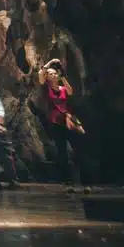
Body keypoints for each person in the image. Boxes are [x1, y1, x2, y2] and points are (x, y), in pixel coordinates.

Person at [38, 59, 90, 192]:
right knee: (63, 153)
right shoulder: (46, 88)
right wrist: (50, 63)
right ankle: (68, 183)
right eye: (50, 74)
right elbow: (40, 74)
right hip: (56, 123)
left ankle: (85, 183)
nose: (53, 75)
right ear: (47, 77)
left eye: (54, 73)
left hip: (67, 120)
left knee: (78, 150)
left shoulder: (62, 89)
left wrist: (63, 77)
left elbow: (70, 92)